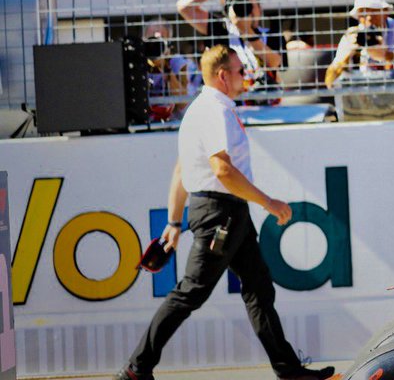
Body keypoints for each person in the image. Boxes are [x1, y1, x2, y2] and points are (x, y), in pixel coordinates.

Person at [114, 46, 333, 380]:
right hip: (221, 213)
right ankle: (136, 368)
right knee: (192, 291)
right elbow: (223, 171)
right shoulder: (214, 111)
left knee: (259, 288)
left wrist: (174, 222)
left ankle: (289, 370)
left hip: (227, 212)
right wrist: (268, 202)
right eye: (240, 71)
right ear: (222, 75)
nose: (245, 76)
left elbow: (179, 171)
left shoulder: (199, 110)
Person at [176, 0, 282, 95]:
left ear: (260, 9)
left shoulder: (271, 34)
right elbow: (183, 7)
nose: (246, 11)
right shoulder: (220, 28)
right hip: (230, 102)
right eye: (240, 5)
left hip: (267, 103)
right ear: (228, 9)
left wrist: (246, 31)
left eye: (249, 5)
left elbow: (275, 63)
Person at [324, 0, 394, 88]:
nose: (369, 18)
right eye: (363, 13)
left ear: (385, 12)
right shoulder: (353, 35)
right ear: (358, 16)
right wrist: (349, 54)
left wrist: (388, 55)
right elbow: (329, 82)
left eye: (374, 12)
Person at [142, 20, 202, 121]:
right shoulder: (137, 64)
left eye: (160, 41)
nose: (155, 45)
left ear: (169, 43)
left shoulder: (177, 63)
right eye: (151, 40)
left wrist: (166, 68)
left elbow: (183, 104)